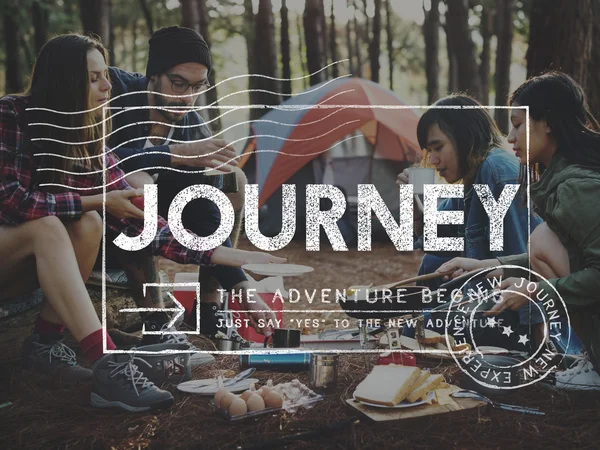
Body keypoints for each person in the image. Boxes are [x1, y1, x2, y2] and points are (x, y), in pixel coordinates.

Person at [0, 34, 284, 411]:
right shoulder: (13, 115)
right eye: (95, 78)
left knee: (89, 223)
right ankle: (109, 360)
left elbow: (140, 220)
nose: (107, 86)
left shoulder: (88, 133)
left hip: (41, 257)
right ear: (66, 80)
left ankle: (45, 345)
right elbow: (10, 201)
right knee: (56, 224)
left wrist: (222, 257)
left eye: (106, 76)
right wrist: (101, 198)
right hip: (15, 248)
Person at [106, 26, 273, 342]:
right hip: (99, 217)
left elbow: (205, 207)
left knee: (231, 181)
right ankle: (156, 326)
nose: (187, 97)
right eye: (178, 83)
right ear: (153, 75)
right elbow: (95, 160)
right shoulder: (114, 92)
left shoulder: (190, 124)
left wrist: (242, 286)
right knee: (141, 186)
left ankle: (209, 312)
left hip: (159, 227)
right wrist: (174, 154)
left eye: (198, 86)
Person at [437, 72, 600, 390]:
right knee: (543, 240)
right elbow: (567, 255)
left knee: (540, 238)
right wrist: (487, 266)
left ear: (548, 123)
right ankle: (593, 361)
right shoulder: (562, 179)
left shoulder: (576, 187)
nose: (510, 137)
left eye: (518, 124)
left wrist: (533, 292)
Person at [396, 95, 543, 348]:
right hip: (483, 296)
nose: (432, 160)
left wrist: (533, 345)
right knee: (433, 265)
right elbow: (435, 244)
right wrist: (415, 206)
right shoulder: (471, 177)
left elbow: (524, 267)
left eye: (438, 147)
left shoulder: (497, 173)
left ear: (466, 137)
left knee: (412, 331)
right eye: (429, 151)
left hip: (516, 318)